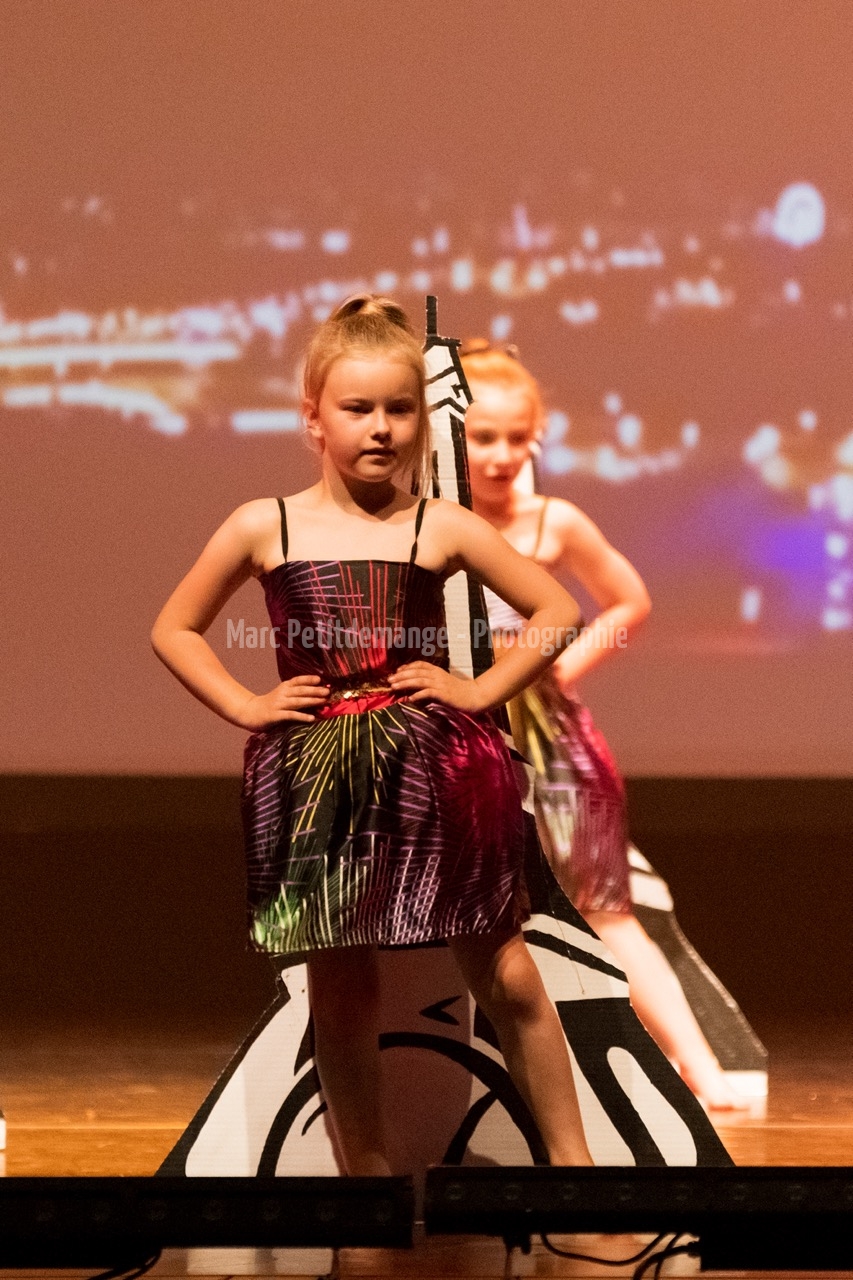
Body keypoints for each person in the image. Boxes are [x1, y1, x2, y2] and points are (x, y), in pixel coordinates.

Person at [151, 296, 594, 1173]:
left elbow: (556, 608)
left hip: (435, 768)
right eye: (358, 408)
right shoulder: (266, 523)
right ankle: (367, 1185)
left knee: (503, 968)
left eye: (400, 409)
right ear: (313, 417)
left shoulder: (439, 524)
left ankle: (576, 1174)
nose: (381, 428)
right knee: (342, 983)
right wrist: (244, 705)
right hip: (318, 776)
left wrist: (477, 690)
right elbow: (175, 627)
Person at [460, 339, 748, 1111]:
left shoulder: (552, 522)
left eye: (516, 439)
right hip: (466, 736)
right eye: (482, 437)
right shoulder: (434, 524)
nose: (500, 456)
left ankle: (699, 1066)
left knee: (605, 910)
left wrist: (564, 667)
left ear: (536, 439)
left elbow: (628, 600)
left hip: (550, 742)